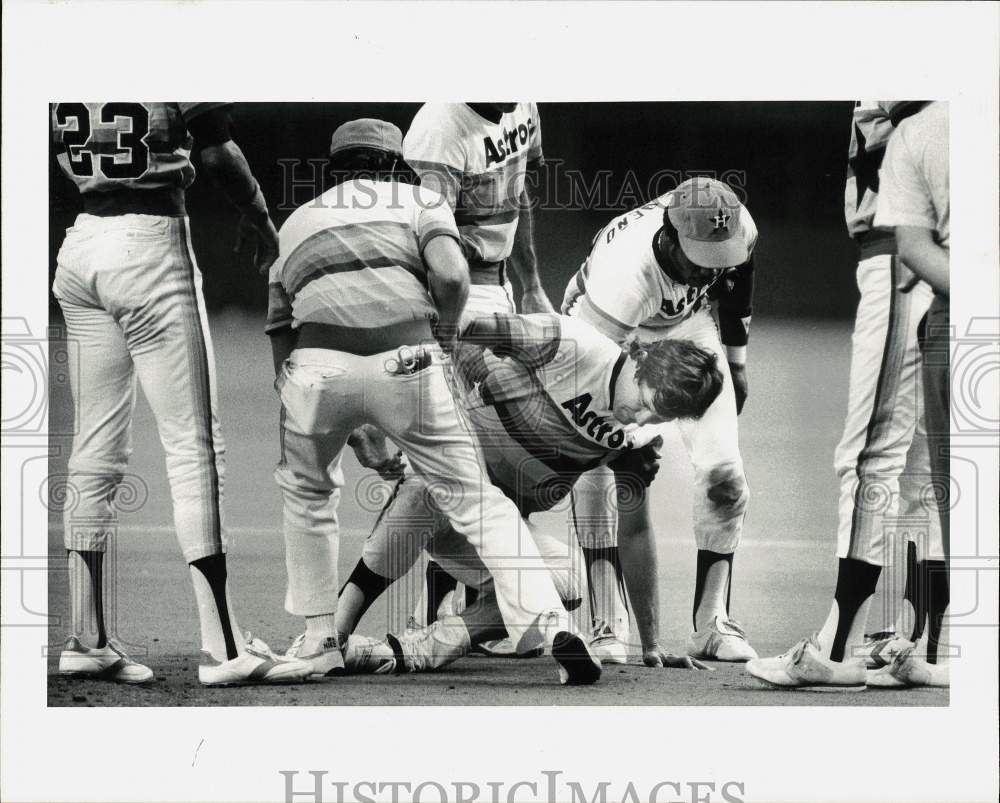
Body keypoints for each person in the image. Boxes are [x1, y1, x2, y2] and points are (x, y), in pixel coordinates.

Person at [266, 118, 600, 686]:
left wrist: (336, 419)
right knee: (474, 498)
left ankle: (322, 636)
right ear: (395, 164)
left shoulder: (296, 222)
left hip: (317, 365)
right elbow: (450, 275)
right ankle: (547, 621)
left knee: (308, 493)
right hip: (408, 359)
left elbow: (280, 326)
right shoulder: (421, 200)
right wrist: (442, 337)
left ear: (335, 168)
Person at [52, 102, 312, 686]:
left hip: (81, 244)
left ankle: (86, 638)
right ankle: (224, 647)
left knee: (94, 450)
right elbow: (217, 148)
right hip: (150, 243)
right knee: (196, 450)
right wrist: (258, 214)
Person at [335, 311, 723, 675]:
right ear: (640, 362)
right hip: (443, 486)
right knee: (429, 487)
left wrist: (651, 645)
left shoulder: (636, 441)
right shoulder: (569, 344)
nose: (639, 420)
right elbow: (448, 323)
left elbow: (635, 531)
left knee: (568, 581)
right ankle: (332, 632)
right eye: (644, 404)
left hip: (495, 533)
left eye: (658, 418)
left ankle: (415, 649)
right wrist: (373, 417)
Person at [746, 101, 950, 691]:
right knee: (923, 467)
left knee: (869, 456)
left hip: (903, 252)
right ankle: (928, 643)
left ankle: (837, 648)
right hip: (918, 249)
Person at [561, 176, 759, 664]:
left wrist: (735, 363)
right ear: (670, 237)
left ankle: (713, 622)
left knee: (724, 475)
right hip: (611, 333)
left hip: (687, 326)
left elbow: (737, 285)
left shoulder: (737, 230)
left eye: (720, 257)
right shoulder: (623, 276)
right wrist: (623, 441)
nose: (709, 271)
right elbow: (589, 380)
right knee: (605, 470)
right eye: (700, 260)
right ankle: (608, 620)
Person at [395, 103, 555, 641]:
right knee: (458, 451)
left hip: (501, 288)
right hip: (457, 295)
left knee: (492, 453)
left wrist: (530, 281)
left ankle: (483, 604)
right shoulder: (440, 130)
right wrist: (437, 329)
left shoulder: (522, 101)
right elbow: (425, 239)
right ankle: (432, 610)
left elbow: (520, 189)